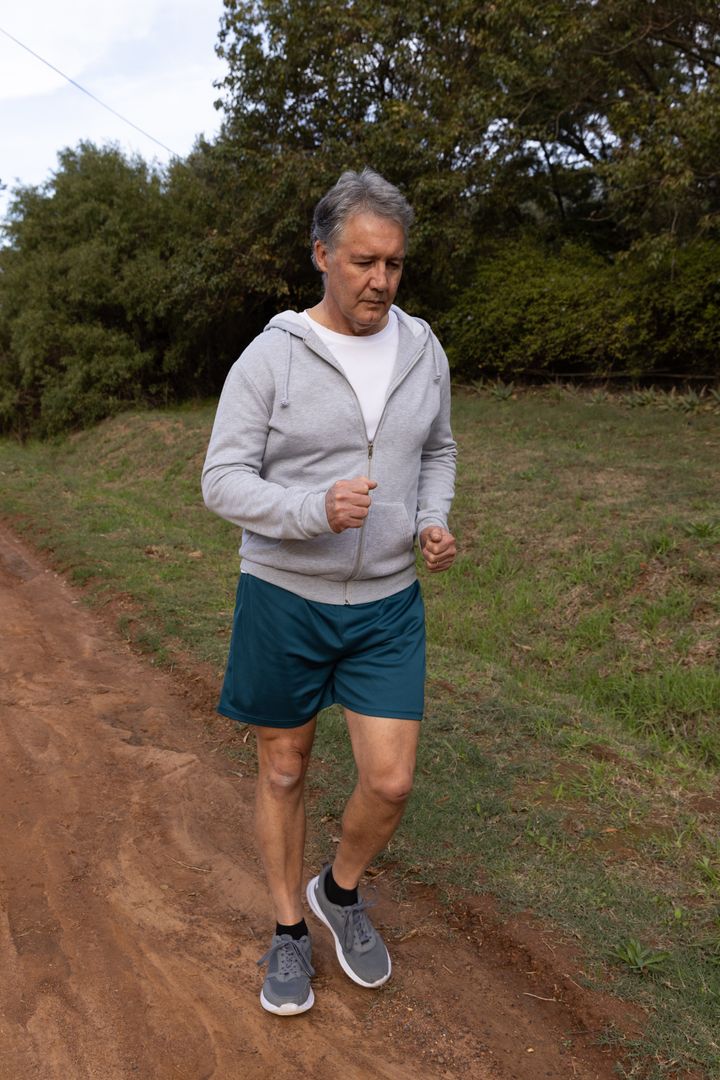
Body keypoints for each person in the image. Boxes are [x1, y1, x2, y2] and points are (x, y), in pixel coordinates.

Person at [201, 167, 457, 1016]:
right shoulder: (271, 355)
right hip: (286, 594)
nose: (379, 280)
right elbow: (222, 482)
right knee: (285, 770)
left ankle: (337, 893)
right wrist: (313, 509)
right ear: (322, 256)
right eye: (361, 262)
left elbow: (438, 450)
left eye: (392, 263)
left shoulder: (424, 347)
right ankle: (285, 931)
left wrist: (430, 515)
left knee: (389, 783)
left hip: (386, 601)